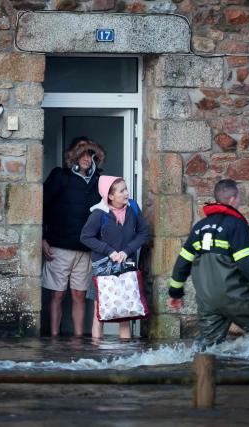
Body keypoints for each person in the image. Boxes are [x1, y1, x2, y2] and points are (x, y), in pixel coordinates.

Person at [167, 179, 249, 347]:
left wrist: (175, 293)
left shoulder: (199, 227)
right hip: (236, 297)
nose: (240, 200)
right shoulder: (237, 225)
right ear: (233, 200)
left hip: (207, 301)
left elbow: (182, 263)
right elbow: (247, 264)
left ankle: (200, 371)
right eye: (239, 197)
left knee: (209, 347)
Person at [42, 136, 106, 337]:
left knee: (79, 295)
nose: (87, 157)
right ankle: (54, 338)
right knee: (57, 294)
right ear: (73, 154)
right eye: (82, 152)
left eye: (90, 153)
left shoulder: (99, 182)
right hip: (59, 246)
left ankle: (78, 341)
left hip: (86, 249)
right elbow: (42, 206)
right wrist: (42, 238)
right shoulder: (59, 176)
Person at [80, 176, 149, 339]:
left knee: (124, 314)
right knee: (100, 314)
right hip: (103, 268)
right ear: (110, 196)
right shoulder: (99, 213)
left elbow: (143, 233)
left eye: (126, 189)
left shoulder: (133, 207)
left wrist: (126, 251)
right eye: (122, 190)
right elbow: (85, 237)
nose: (127, 193)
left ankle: (125, 359)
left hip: (126, 265)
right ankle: (97, 358)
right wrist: (109, 251)